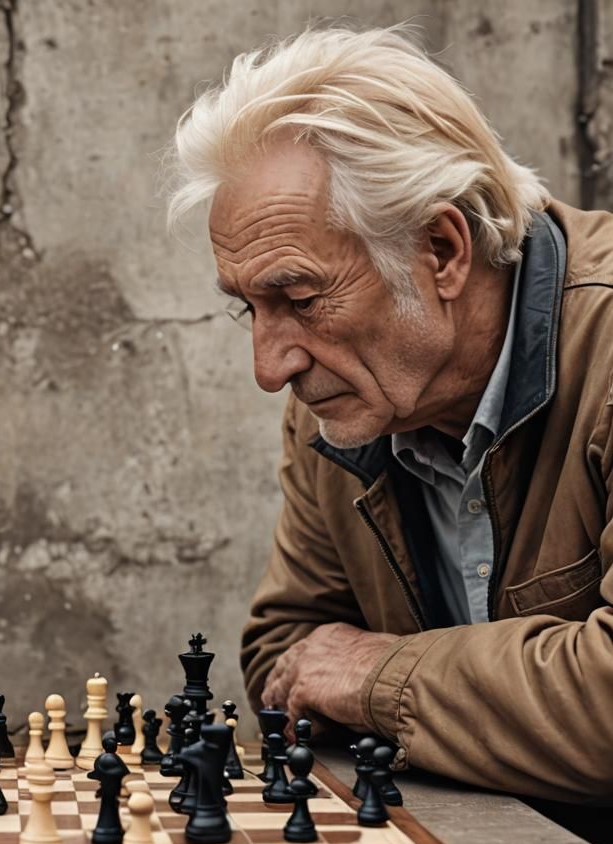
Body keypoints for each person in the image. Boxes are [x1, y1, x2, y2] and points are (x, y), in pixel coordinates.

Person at [168, 24, 613, 804]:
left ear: (441, 251)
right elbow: (290, 655)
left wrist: (379, 678)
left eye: (301, 299)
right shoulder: (343, 407)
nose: (272, 368)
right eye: (251, 310)